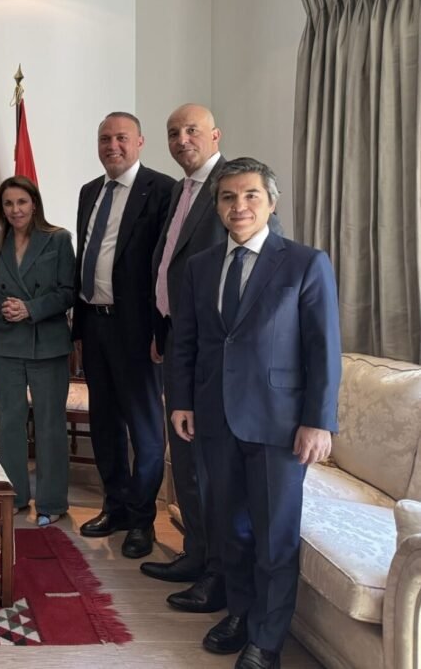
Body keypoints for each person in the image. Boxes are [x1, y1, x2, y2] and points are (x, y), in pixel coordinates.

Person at [170, 157, 340, 669]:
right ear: (218, 205)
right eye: (228, 197)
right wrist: (181, 400)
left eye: (249, 196)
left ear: (271, 202)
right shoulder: (201, 266)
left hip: (280, 425)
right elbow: (187, 341)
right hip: (214, 418)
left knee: (273, 536)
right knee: (230, 529)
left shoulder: (305, 263)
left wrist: (319, 421)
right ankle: (241, 615)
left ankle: (266, 641)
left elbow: (323, 349)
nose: (238, 206)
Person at [144, 104, 282, 611]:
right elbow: (173, 269)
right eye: (174, 132)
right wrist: (163, 327)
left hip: (222, 361)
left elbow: (263, 279)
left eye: (192, 131)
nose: (182, 140)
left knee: (209, 474)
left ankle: (216, 575)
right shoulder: (182, 191)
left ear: (215, 135)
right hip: (182, 344)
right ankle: (196, 554)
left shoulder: (234, 191)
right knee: (188, 464)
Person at [73, 112, 175, 559]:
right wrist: (79, 326)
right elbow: (85, 260)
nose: (111, 145)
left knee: (146, 430)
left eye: (120, 138)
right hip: (95, 324)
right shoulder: (89, 191)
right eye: (104, 138)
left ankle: (141, 518)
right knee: (105, 425)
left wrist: (161, 330)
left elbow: (166, 266)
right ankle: (113, 505)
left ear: (139, 142)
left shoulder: (163, 190)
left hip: (138, 331)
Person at [0, 176, 75, 526]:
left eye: (21, 202)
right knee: (9, 424)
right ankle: (14, 496)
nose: (15, 210)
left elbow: (68, 291)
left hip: (47, 343)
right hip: (7, 343)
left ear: (34, 203)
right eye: (8, 204)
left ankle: (52, 502)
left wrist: (31, 308)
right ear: (1, 209)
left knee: (49, 425)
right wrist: (2, 305)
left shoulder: (58, 239)